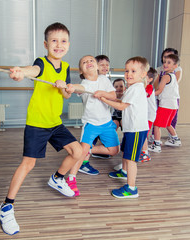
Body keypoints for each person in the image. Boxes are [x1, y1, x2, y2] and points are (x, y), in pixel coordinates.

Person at [0, 22, 83, 235]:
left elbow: (66, 95)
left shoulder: (65, 67)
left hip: (55, 122)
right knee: (28, 164)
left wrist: (66, 88)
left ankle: (57, 178)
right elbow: (32, 70)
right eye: (54, 40)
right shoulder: (42, 62)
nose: (58, 45)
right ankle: (7, 206)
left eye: (63, 41)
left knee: (78, 151)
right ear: (46, 44)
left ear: (69, 45)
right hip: (37, 123)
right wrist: (20, 73)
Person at [64, 55, 120, 196]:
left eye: (91, 61)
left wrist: (103, 93)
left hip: (107, 123)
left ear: (97, 66)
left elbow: (113, 96)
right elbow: (79, 88)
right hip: (91, 124)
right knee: (81, 151)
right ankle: (71, 178)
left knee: (113, 150)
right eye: (84, 62)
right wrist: (70, 87)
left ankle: (90, 150)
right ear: (81, 71)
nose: (88, 62)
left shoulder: (104, 79)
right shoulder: (85, 83)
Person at [101, 56, 149, 198]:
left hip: (136, 130)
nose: (129, 74)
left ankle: (131, 188)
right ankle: (124, 171)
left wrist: (104, 99)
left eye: (133, 71)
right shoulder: (132, 88)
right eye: (127, 71)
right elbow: (121, 101)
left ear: (143, 74)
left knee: (131, 159)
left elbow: (121, 106)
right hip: (131, 129)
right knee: (125, 153)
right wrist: (108, 97)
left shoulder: (136, 88)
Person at [149, 54, 181, 153]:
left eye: (169, 62)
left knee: (157, 125)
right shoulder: (173, 76)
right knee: (168, 123)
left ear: (175, 66)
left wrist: (147, 94)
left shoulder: (166, 77)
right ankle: (175, 139)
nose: (165, 64)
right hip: (173, 106)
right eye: (164, 62)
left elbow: (159, 90)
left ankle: (157, 145)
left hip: (166, 105)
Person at [89, 54, 113, 160]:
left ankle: (96, 152)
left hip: (101, 116)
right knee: (90, 141)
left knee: (94, 138)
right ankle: (83, 161)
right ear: (96, 66)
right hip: (97, 117)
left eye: (107, 65)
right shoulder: (101, 78)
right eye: (102, 64)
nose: (105, 67)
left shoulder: (102, 79)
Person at [139, 67, 158, 162]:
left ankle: (145, 153)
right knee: (141, 133)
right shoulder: (144, 86)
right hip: (145, 115)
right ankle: (142, 150)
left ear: (150, 79)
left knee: (143, 134)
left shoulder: (149, 87)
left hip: (149, 116)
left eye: (144, 76)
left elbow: (145, 94)